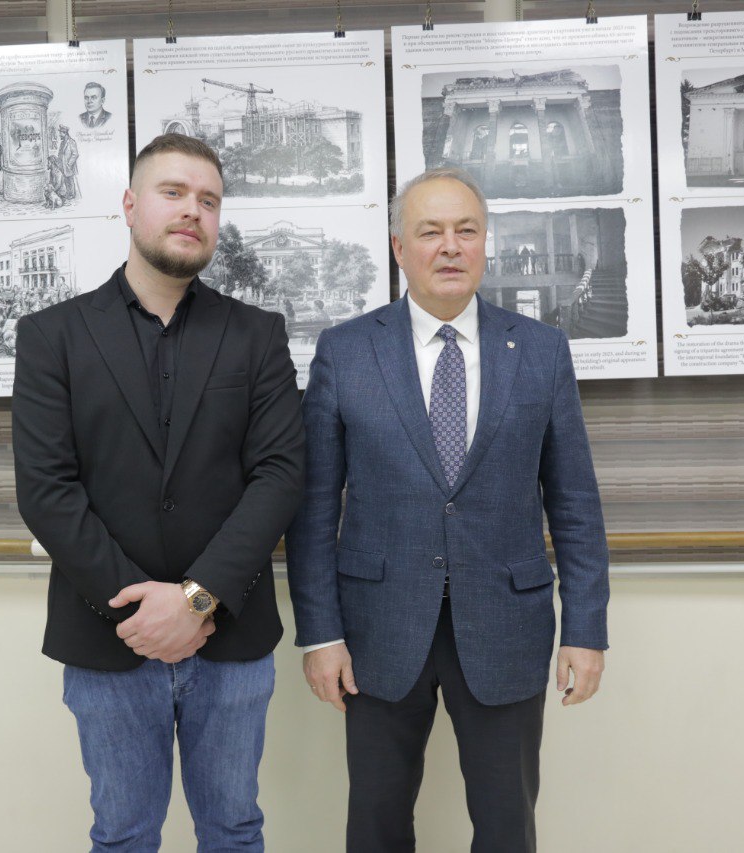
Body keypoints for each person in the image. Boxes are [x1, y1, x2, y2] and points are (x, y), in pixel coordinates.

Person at [286, 167, 609, 853]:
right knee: (376, 825)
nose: (451, 246)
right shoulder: (346, 351)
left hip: (506, 625)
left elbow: (575, 503)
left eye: (466, 230)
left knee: (507, 826)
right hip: (376, 631)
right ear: (399, 247)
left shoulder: (541, 350)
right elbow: (313, 510)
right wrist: (320, 634)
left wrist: (586, 629)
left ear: (486, 243)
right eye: (430, 231)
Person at [11, 132, 305, 852]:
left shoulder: (257, 334)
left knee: (234, 830)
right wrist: (145, 612)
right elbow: (46, 489)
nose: (192, 210)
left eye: (209, 200)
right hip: (109, 638)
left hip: (230, 639)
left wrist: (196, 600)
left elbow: (280, 475)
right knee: (123, 836)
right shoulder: (53, 335)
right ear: (130, 203)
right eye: (173, 192)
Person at [57, 125, 79, 201]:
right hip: (63, 165)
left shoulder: (71, 142)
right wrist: (59, 163)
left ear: (65, 133)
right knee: (66, 180)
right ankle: (68, 193)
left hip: (69, 166)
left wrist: (69, 164)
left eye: (60, 133)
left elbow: (75, 154)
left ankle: (72, 194)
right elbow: (60, 154)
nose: (59, 135)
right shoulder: (62, 142)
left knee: (70, 180)